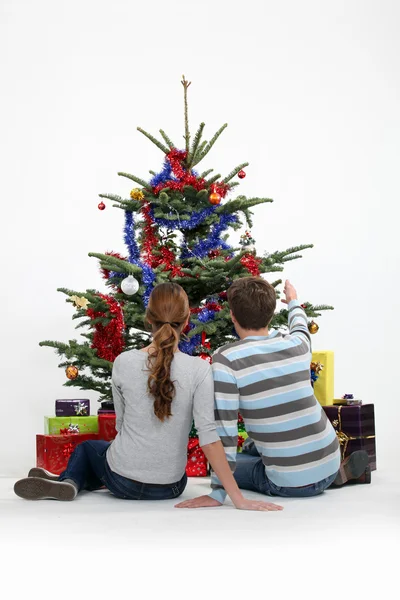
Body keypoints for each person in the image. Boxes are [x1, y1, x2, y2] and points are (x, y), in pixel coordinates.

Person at [14, 282, 283, 511]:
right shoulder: (200, 368)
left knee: (89, 450)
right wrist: (237, 498)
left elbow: (120, 427)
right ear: (187, 320)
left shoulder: (123, 362)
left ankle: (69, 482)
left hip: (122, 483)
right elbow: (208, 436)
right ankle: (67, 480)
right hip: (171, 487)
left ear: (148, 318)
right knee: (107, 458)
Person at [176, 277, 369, 509]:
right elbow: (300, 325)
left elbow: (225, 432)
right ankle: (333, 475)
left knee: (225, 465)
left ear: (233, 316)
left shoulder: (225, 360)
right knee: (252, 445)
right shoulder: (297, 344)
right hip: (330, 458)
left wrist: (219, 491)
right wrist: (293, 301)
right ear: (272, 311)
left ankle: (304, 479)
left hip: (286, 483)